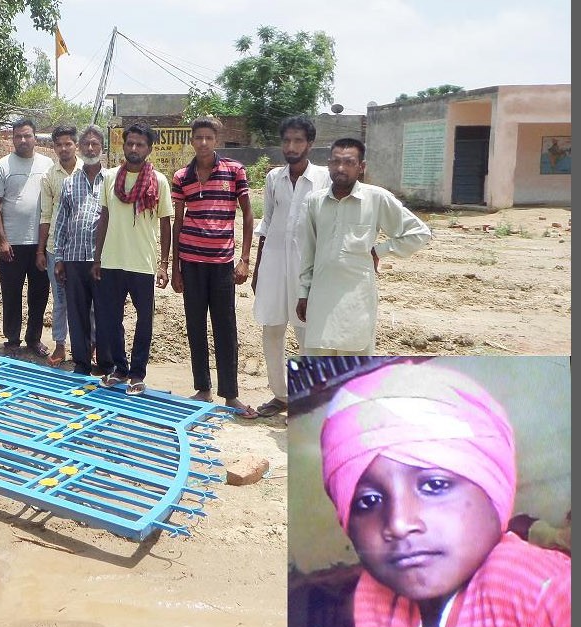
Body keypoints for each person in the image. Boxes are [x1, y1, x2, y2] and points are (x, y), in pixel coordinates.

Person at [319, 361, 570, 627]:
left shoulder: (545, 593)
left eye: (434, 485)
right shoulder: (372, 598)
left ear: (494, 489)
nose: (398, 523)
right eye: (368, 501)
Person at [296, 139, 433, 355]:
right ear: (329, 164)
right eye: (336, 162)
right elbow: (309, 252)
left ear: (361, 167)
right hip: (320, 299)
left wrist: (381, 250)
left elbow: (420, 233)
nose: (341, 168)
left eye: (349, 162)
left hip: (357, 303)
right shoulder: (315, 201)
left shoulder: (376, 198)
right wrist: (303, 293)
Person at [169, 116, 257, 417]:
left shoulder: (234, 172)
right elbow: (178, 221)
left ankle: (230, 394)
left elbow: (247, 216)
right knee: (195, 326)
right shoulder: (182, 176)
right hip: (191, 264)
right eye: (198, 138)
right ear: (192, 141)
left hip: (222, 265)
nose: (203, 143)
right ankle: (203, 389)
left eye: (209, 138)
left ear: (215, 140)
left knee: (225, 328)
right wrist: (176, 268)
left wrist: (244, 259)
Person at [250, 116, 332, 416]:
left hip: (306, 269)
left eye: (298, 141)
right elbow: (268, 222)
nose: (291, 146)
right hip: (273, 263)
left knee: (306, 334)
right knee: (271, 330)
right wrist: (258, 267)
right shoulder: (274, 178)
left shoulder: (324, 178)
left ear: (309, 144)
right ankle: (281, 395)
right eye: (286, 140)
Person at [92, 123, 173, 395]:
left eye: (140, 144)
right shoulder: (110, 178)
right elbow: (103, 217)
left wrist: (164, 263)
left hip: (143, 263)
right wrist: (97, 257)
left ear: (149, 149)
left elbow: (165, 223)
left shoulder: (158, 181)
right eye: (130, 144)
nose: (134, 148)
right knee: (111, 318)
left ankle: (138, 372)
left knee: (144, 320)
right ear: (123, 146)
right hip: (112, 260)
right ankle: (119, 368)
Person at [0, 118, 55, 358]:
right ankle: (12, 340)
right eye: (18, 136)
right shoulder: (2, 166)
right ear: (12, 138)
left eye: (27, 136)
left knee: (39, 294)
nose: (23, 140)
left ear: (36, 138)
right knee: (11, 293)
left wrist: (45, 244)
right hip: (12, 244)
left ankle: (34, 339)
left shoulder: (48, 164)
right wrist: (2, 241)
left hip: (40, 244)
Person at [52, 124, 110, 377]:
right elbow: (62, 221)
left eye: (94, 143)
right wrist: (59, 258)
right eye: (85, 143)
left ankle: (107, 364)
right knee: (77, 313)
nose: (89, 148)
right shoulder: (69, 183)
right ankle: (82, 363)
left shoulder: (111, 181)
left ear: (102, 148)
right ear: (80, 146)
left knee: (105, 312)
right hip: (74, 258)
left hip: (104, 259)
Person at [37, 125, 79, 367]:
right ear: (54, 147)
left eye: (68, 144)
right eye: (59, 144)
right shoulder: (49, 176)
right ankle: (60, 345)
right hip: (56, 247)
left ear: (76, 145)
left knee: (88, 300)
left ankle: (90, 345)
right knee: (60, 298)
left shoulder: (91, 171)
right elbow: (45, 215)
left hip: (84, 250)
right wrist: (41, 250)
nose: (64, 148)